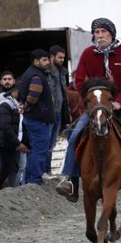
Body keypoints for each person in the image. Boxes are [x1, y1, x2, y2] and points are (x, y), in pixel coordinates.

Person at [56, 17, 121, 202]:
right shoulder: (88, 54)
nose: (100, 35)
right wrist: (90, 100)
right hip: (95, 110)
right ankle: (70, 181)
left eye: (103, 31)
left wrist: (118, 102)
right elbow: (79, 80)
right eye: (96, 32)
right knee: (75, 135)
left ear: (111, 34)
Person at [17, 49, 55, 185]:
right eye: (44, 60)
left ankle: (29, 180)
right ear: (36, 61)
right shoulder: (36, 76)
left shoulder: (31, 73)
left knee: (34, 151)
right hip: (39, 120)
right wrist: (26, 107)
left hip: (34, 118)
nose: (47, 63)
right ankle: (35, 180)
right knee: (40, 151)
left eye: (47, 59)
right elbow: (33, 96)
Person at [0, 87, 29, 192]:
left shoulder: (16, 104)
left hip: (11, 142)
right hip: (4, 142)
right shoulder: (5, 104)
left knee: (14, 168)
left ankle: (11, 192)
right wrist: (18, 143)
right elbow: (6, 126)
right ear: (15, 91)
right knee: (2, 169)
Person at [45, 45, 71, 174]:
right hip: (48, 113)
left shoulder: (62, 72)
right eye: (59, 57)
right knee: (45, 144)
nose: (62, 60)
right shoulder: (44, 72)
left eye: (63, 58)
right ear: (52, 57)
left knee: (52, 144)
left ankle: (48, 171)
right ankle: (42, 171)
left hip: (59, 112)